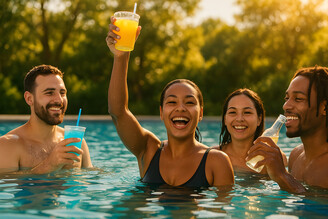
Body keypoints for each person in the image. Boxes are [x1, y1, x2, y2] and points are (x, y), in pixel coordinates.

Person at [106, 17, 234, 187]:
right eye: (172, 102)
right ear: (161, 112)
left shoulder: (216, 162)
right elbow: (118, 111)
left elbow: (220, 213)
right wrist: (121, 56)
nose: (180, 108)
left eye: (189, 102)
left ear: (201, 113)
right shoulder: (149, 149)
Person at [247, 66, 328, 193]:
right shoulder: (296, 155)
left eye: (298, 99)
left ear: (325, 107)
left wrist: (283, 176)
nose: (286, 105)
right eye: (287, 98)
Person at [0, 65, 93, 174]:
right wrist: (49, 165)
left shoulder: (77, 143)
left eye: (62, 93)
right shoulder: (8, 145)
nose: (59, 100)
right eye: (49, 93)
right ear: (29, 99)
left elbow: (91, 178)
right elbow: (5, 183)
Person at [214, 88, 286, 173]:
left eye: (247, 112)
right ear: (225, 119)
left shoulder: (274, 158)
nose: (239, 119)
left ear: (259, 119)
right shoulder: (211, 156)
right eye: (233, 112)